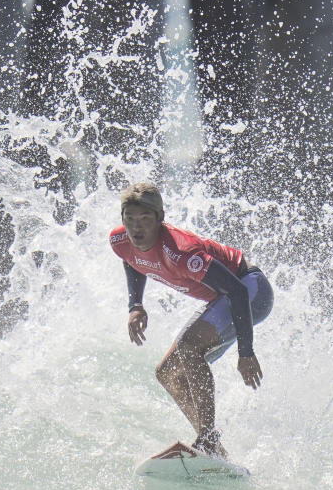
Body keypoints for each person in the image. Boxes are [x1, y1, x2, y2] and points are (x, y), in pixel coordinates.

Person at [110, 182, 274, 458]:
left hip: (251, 293)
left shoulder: (181, 252)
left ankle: (207, 439)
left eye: (145, 220)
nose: (136, 228)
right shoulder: (120, 240)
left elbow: (237, 290)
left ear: (161, 218)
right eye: (130, 220)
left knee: (189, 347)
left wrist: (246, 353)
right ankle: (214, 449)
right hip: (225, 298)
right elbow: (132, 258)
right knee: (167, 373)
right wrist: (136, 304)